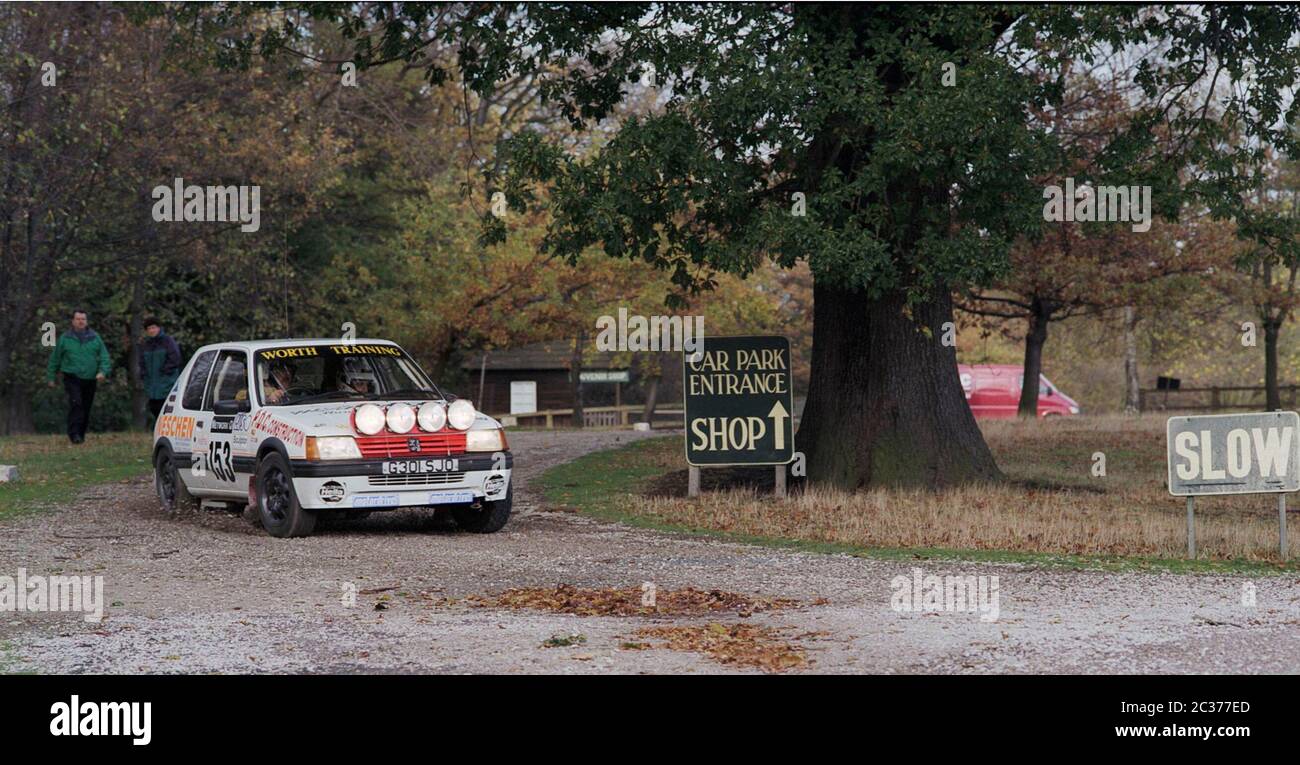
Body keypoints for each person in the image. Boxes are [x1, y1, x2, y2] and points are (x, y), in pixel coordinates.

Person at [46, 309, 111, 444]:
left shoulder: (95, 337)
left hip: (90, 378)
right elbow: (55, 359)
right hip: (71, 376)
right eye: (78, 319)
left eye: (83, 319)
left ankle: (81, 435)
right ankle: (74, 433)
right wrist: (50, 377)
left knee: (86, 406)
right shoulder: (65, 338)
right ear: (73, 321)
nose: (81, 321)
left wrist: (103, 372)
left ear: (86, 321)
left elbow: (105, 356)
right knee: (76, 403)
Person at [138, 316, 182, 419]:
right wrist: (144, 374)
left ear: (159, 328)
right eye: (149, 329)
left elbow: (175, 358)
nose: (151, 330)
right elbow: (142, 362)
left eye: (153, 327)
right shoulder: (145, 345)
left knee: (166, 409)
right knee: (154, 408)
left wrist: (165, 371)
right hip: (151, 385)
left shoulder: (168, 341)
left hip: (166, 383)